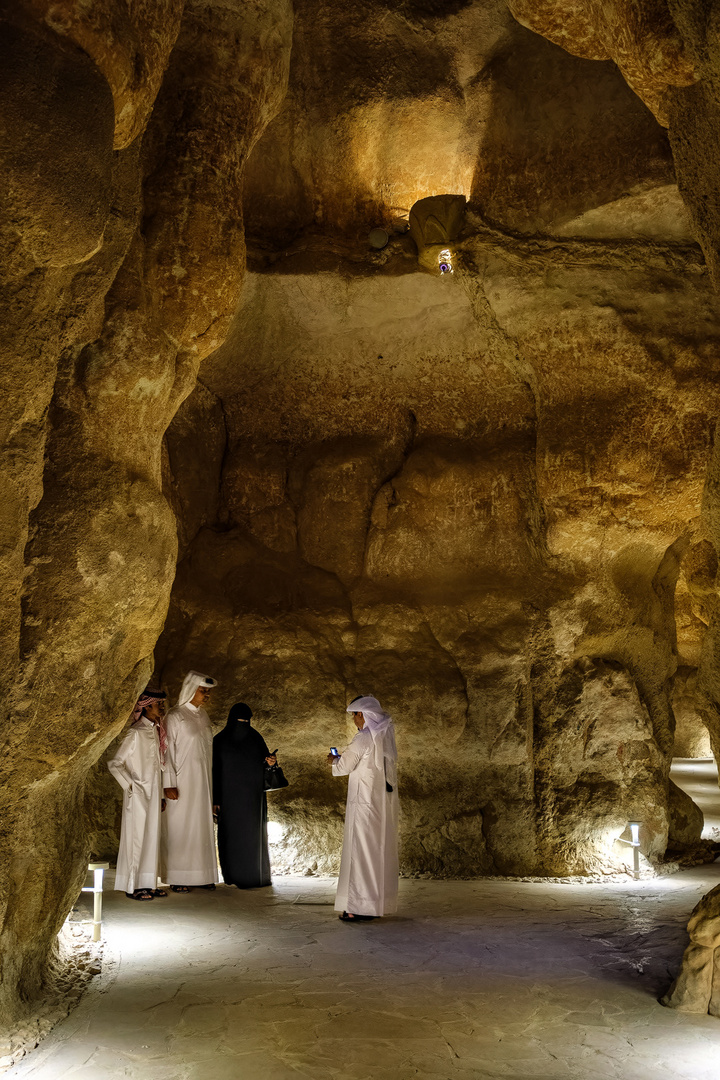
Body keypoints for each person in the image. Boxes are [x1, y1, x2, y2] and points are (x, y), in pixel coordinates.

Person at [327, 695, 399, 922]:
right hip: (378, 805)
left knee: (360, 854)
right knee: (375, 853)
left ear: (362, 714)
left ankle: (357, 908)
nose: (354, 722)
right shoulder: (383, 737)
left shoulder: (363, 738)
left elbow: (343, 767)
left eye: (354, 717)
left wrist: (333, 760)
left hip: (363, 805)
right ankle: (373, 904)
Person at [108, 688, 169, 900]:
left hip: (153, 795)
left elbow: (158, 768)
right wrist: (131, 786)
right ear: (146, 706)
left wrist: (160, 794)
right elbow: (115, 764)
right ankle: (132, 886)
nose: (162, 707)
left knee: (152, 837)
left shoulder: (155, 730)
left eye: (162, 704)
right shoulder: (135, 732)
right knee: (136, 839)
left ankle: (148, 884)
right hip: (138, 795)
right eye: (158, 704)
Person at [161, 671, 219, 892]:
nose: (206, 696)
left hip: (203, 782)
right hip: (181, 782)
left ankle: (202, 876)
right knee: (181, 828)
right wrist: (168, 782)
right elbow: (167, 752)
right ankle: (178, 877)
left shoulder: (202, 716)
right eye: (203, 691)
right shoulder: (175, 716)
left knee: (201, 828)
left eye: (208, 692)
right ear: (190, 689)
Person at [212, 702, 278, 888]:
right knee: (231, 837)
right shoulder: (220, 741)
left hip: (252, 799)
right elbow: (214, 771)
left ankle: (255, 876)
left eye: (247, 721)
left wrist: (271, 762)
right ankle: (232, 876)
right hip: (228, 799)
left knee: (252, 837)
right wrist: (215, 800)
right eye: (239, 721)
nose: (243, 725)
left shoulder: (256, 738)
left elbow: (266, 763)